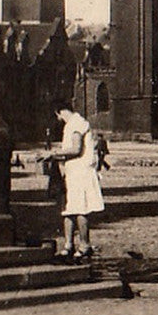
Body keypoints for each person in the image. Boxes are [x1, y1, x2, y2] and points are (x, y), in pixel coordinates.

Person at [47, 102, 104, 260]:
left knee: (80, 209)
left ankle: (85, 245)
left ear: (59, 112)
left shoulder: (77, 123)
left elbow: (76, 149)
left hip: (81, 173)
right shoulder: (71, 124)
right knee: (68, 209)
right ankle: (68, 245)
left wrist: (53, 154)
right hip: (73, 173)